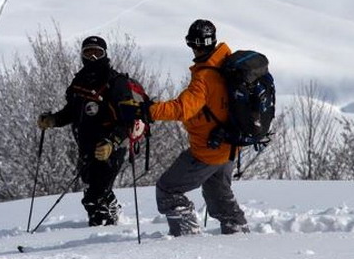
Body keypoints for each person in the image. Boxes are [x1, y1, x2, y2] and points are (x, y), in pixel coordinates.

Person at [148, 19, 249, 236]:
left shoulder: (204, 77)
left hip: (208, 150)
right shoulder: (227, 64)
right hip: (230, 145)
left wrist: (148, 111)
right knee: (218, 193)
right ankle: (238, 234)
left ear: (192, 44)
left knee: (167, 189)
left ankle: (187, 237)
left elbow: (182, 109)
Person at [37, 36, 136, 226]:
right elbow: (72, 112)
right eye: (88, 52)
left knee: (94, 197)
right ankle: (113, 214)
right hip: (86, 144)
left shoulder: (117, 82)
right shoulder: (79, 81)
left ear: (105, 54)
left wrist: (112, 142)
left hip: (111, 145)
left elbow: (128, 120)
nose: (93, 57)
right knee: (95, 187)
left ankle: (101, 235)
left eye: (97, 53)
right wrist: (53, 120)